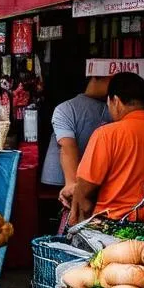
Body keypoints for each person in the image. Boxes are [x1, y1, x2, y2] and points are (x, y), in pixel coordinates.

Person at [71, 71, 144, 226]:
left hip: (112, 230)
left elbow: (84, 191)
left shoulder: (106, 135)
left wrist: (79, 225)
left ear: (116, 101)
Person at [40, 76, 111, 208]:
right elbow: (67, 147)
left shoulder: (111, 109)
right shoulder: (66, 109)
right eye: (111, 79)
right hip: (63, 183)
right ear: (95, 78)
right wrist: (72, 184)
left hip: (80, 183)